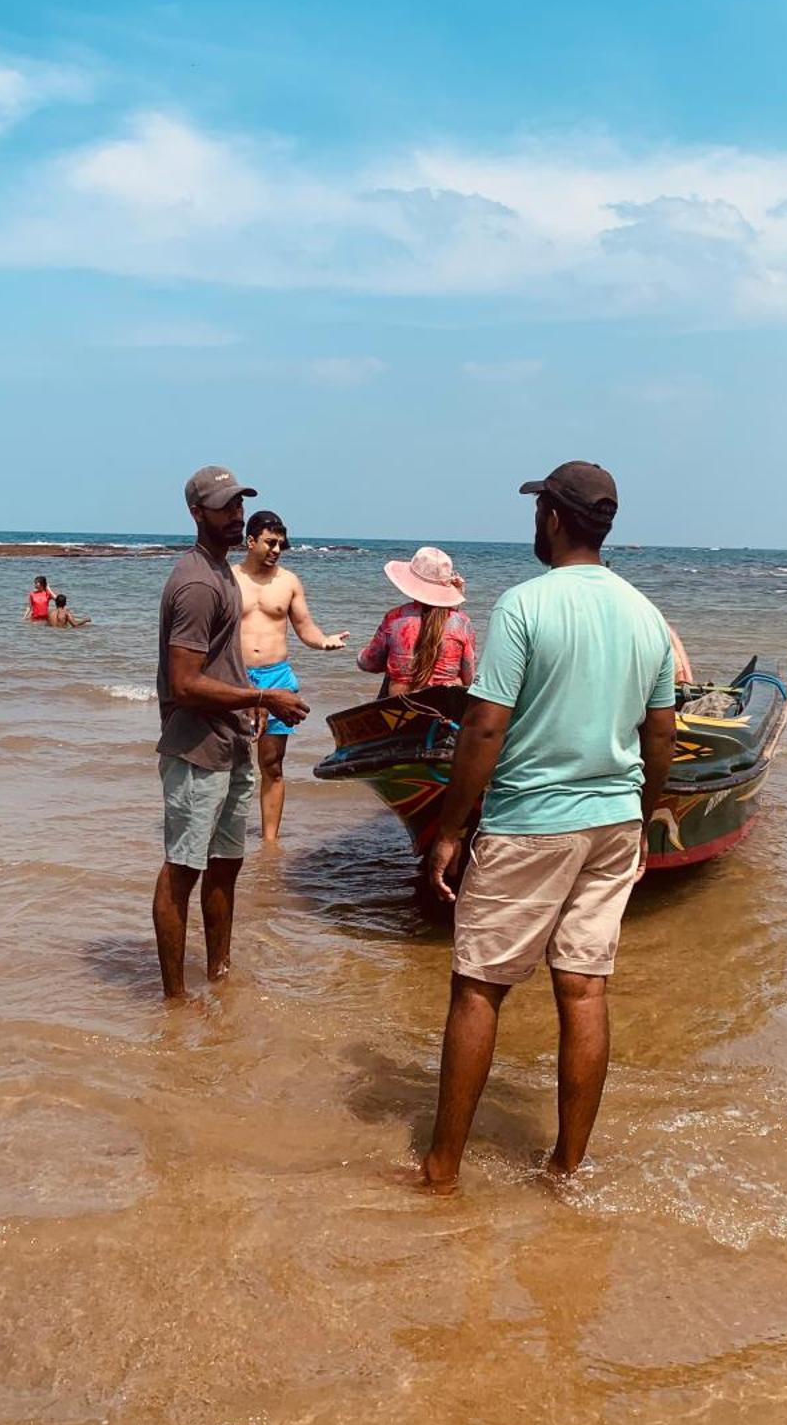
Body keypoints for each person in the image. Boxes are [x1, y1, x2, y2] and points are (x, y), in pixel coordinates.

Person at [418, 462, 677, 1193]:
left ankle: (442, 1170)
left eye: (539, 512)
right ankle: (565, 1168)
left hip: (532, 820)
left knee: (477, 987)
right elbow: (661, 734)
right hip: (614, 822)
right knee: (585, 990)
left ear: (555, 519)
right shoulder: (645, 614)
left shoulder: (526, 606)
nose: (535, 523)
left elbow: (484, 726)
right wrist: (643, 809)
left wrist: (448, 830)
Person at [152, 467, 309, 1001]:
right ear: (197, 513)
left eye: (239, 504)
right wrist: (263, 697)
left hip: (230, 740)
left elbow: (223, 660)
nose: (235, 514)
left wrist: (247, 703)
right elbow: (185, 682)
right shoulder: (197, 582)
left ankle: (219, 974)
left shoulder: (222, 572)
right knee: (182, 871)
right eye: (223, 506)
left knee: (225, 866)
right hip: (195, 747)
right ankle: (174, 998)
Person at [234, 510, 349, 842]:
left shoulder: (289, 582)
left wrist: (323, 641)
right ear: (251, 540)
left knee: (272, 765)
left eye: (281, 545)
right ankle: (227, 835)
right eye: (270, 543)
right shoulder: (229, 579)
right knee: (230, 763)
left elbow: (305, 628)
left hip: (277, 678)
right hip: (236, 679)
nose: (276, 550)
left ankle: (270, 843)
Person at [357, 548, 477, 695]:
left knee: (393, 676)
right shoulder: (462, 623)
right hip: (444, 705)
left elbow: (369, 664)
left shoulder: (395, 618)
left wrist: (361, 656)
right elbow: (469, 678)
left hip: (401, 707)